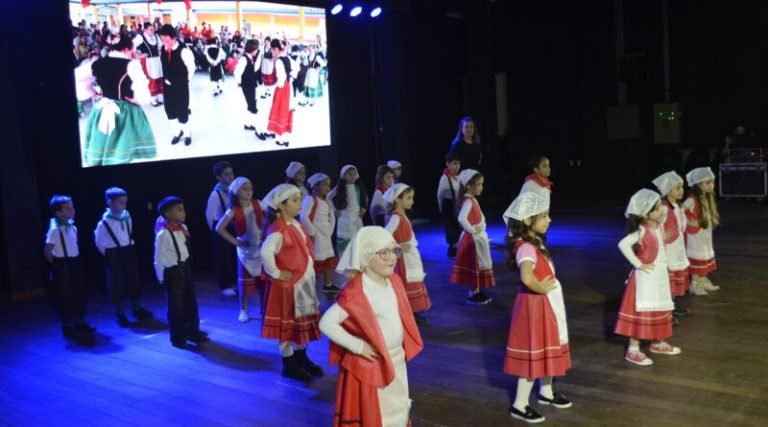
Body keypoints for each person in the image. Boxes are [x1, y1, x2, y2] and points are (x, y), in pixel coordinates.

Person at [319, 226, 424, 427]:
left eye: (394, 251)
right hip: (375, 364)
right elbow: (327, 323)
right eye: (384, 252)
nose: (392, 258)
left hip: (396, 359)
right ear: (366, 257)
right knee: (380, 412)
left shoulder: (394, 281)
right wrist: (358, 346)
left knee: (398, 406)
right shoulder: (358, 292)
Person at [503, 192, 572, 424]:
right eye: (544, 216)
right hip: (535, 306)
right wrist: (542, 289)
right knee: (533, 353)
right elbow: (527, 277)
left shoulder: (535, 242)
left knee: (548, 346)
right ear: (526, 220)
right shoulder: (525, 248)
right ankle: (519, 404)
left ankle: (546, 392)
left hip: (546, 304)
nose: (549, 219)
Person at [260, 184, 324, 382]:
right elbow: (265, 252)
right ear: (281, 205)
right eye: (294, 201)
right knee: (287, 327)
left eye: (299, 199)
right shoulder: (278, 230)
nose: (299, 204)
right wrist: (277, 273)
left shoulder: (296, 225)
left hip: (302, 284)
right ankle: (289, 364)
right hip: (289, 287)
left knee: (300, 324)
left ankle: (301, 358)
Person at [615, 189, 680, 366]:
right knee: (642, 311)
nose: (662, 210)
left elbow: (665, 215)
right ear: (645, 213)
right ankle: (633, 349)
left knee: (659, 307)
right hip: (646, 278)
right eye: (657, 208)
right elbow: (623, 244)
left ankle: (657, 341)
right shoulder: (642, 229)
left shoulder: (656, 225)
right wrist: (638, 264)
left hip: (659, 275)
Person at [83, 34, 157, 166]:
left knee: (103, 142)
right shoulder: (131, 65)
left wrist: (91, 93)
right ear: (126, 49)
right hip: (125, 110)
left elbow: (78, 78)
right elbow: (142, 91)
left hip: (102, 109)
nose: (133, 52)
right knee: (123, 146)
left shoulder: (97, 63)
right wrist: (139, 100)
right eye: (131, 49)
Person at [154, 196, 209, 348]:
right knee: (176, 306)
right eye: (179, 210)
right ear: (167, 213)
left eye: (183, 209)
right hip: (172, 272)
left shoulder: (183, 228)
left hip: (184, 268)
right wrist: (160, 276)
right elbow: (158, 257)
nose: (183, 212)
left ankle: (192, 330)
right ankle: (177, 337)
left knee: (190, 300)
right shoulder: (163, 234)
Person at [94, 187, 152, 326]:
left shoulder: (127, 215)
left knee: (134, 278)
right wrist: (109, 254)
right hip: (113, 253)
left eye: (125, 202)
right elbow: (99, 242)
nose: (124, 205)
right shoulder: (104, 223)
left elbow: (128, 231)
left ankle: (136, 307)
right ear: (109, 202)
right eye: (120, 202)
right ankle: (119, 312)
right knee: (116, 282)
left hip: (128, 250)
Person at [215, 177, 267, 322]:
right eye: (245, 189)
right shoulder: (232, 210)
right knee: (244, 284)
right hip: (246, 252)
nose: (249, 191)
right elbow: (219, 228)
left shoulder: (259, 204)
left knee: (263, 282)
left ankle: (264, 309)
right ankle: (243, 310)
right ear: (236, 191)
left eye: (250, 188)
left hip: (261, 249)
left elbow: (271, 216)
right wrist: (236, 242)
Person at [44, 195, 96, 339]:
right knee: (65, 294)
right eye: (67, 208)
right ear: (58, 213)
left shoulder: (72, 226)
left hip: (74, 261)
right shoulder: (55, 229)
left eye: (72, 207)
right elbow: (48, 251)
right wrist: (56, 265)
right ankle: (67, 324)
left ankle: (80, 320)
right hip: (62, 263)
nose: (72, 210)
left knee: (79, 291)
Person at [383, 183, 432, 325]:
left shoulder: (401, 216)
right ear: (397, 200)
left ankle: (412, 313)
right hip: (403, 260)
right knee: (406, 284)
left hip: (409, 257)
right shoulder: (396, 218)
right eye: (408, 198)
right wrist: (397, 247)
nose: (412, 201)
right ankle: (407, 314)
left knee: (412, 283)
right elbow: (384, 236)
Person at [449, 169, 495, 304]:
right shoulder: (468, 201)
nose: (481, 187)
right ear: (468, 185)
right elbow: (462, 218)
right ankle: (473, 293)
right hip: (472, 240)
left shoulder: (471, 199)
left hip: (476, 239)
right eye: (478, 184)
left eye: (481, 184)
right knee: (475, 266)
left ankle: (476, 291)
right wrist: (472, 229)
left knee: (478, 266)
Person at [652, 171, 691, 321]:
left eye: (682, 187)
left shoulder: (677, 205)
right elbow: (656, 227)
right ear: (668, 190)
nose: (681, 190)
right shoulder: (663, 207)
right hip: (668, 248)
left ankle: (673, 303)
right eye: (677, 188)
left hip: (677, 247)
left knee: (676, 276)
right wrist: (663, 236)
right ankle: (667, 309)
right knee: (669, 278)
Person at [684, 167, 720, 296]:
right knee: (697, 258)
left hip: (704, 234)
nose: (711, 185)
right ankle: (694, 284)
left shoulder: (706, 196)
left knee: (705, 256)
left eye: (712, 182)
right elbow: (680, 211)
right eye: (708, 182)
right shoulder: (692, 199)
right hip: (695, 235)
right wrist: (690, 222)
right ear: (698, 184)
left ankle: (702, 280)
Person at [300, 173, 339, 293]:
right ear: (315, 186)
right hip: (316, 235)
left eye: (329, 185)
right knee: (315, 260)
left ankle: (328, 284)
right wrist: (312, 231)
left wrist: (330, 230)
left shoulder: (327, 201)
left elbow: (332, 216)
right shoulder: (310, 199)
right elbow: (303, 216)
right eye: (325, 185)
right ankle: (310, 286)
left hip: (325, 235)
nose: (328, 188)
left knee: (328, 260)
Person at [158, 24, 195, 146]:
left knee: (182, 111)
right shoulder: (163, 49)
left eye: (167, 40)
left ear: (174, 38)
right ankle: (176, 132)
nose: (165, 43)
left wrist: (183, 81)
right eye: (163, 40)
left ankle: (187, 134)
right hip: (167, 87)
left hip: (181, 87)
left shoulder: (184, 50)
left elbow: (191, 68)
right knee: (170, 111)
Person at [205, 161, 238, 296]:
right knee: (223, 257)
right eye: (226, 174)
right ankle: (225, 285)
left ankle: (235, 282)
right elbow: (210, 215)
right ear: (219, 177)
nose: (230, 177)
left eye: (231, 173)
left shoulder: (234, 191)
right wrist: (215, 231)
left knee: (233, 256)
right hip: (220, 228)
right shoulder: (216, 194)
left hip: (233, 227)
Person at [329, 165, 368, 254]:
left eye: (354, 174)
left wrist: (364, 208)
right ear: (344, 175)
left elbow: (365, 198)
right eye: (350, 174)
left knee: (357, 243)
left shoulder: (358, 187)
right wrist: (334, 210)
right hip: (344, 218)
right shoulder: (340, 188)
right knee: (344, 247)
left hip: (356, 218)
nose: (353, 176)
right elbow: (328, 197)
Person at [266, 39, 294, 147]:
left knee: (278, 110)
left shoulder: (278, 61)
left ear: (276, 49)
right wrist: (290, 77)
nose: (273, 52)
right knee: (286, 111)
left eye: (273, 50)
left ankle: (280, 139)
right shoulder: (287, 57)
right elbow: (295, 69)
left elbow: (281, 78)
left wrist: (278, 87)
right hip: (288, 86)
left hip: (282, 88)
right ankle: (285, 139)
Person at [133, 22, 164, 106]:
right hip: (148, 61)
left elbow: (160, 47)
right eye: (150, 30)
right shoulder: (141, 37)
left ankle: (158, 98)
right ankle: (152, 99)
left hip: (157, 60)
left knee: (159, 78)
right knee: (152, 79)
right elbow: (131, 45)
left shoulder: (156, 36)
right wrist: (139, 55)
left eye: (153, 29)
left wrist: (160, 51)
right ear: (145, 29)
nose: (152, 31)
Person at [234, 39, 262, 135]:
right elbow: (237, 71)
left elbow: (254, 69)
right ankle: (257, 128)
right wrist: (238, 81)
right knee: (253, 105)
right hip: (247, 84)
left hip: (250, 83)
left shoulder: (250, 57)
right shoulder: (244, 59)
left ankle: (248, 124)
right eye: (256, 49)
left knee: (251, 104)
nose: (257, 51)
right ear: (252, 49)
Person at [436, 153, 461, 257]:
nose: (457, 166)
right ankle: (452, 247)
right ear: (447, 164)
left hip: (457, 203)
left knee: (458, 225)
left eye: (459, 163)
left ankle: (458, 245)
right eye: (454, 163)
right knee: (450, 226)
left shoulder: (459, 176)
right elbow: (440, 194)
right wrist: (441, 206)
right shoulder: (445, 178)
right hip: (448, 204)